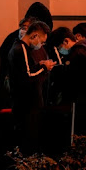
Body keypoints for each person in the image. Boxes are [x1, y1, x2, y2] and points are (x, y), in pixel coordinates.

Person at [8, 20, 53, 154]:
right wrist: (44, 67)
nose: (41, 45)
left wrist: (39, 65)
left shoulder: (20, 48)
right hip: (26, 106)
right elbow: (28, 75)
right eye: (42, 41)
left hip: (26, 105)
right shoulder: (20, 48)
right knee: (28, 144)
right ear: (34, 36)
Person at [50, 27, 86, 137]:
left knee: (78, 131)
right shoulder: (83, 49)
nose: (60, 50)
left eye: (59, 47)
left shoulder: (77, 54)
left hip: (79, 99)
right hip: (84, 98)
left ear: (66, 41)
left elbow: (74, 78)